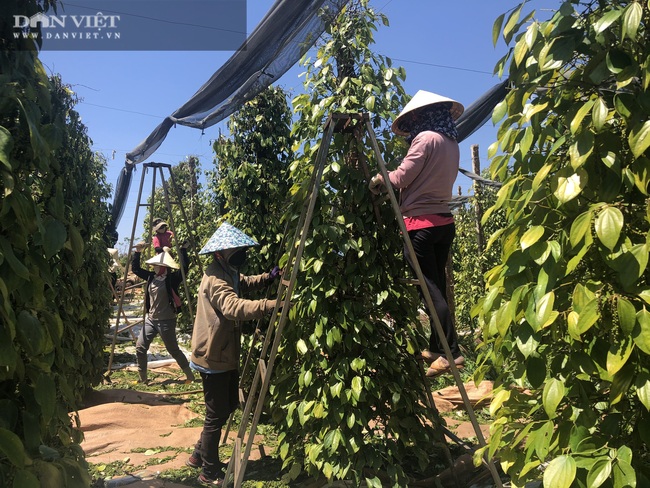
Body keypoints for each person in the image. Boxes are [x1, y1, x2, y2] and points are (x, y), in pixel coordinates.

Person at [369, 90, 465, 378]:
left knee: (428, 287)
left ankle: (451, 351)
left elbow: (402, 177)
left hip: (420, 224)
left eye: (414, 118)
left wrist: (378, 179)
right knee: (436, 284)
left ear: (423, 115)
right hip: (443, 223)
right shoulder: (451, 142)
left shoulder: (425, 139)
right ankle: (438, 346)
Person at [185, 222, 281, 486]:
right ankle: (209, 471)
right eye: (235, 249)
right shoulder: (215, 278)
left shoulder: (228, 271)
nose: (241, 253)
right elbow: (232, 306)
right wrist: (271, 305)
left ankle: (198, 455)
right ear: (220, 253)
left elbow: (242, 284)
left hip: (224, 352)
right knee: (216, 414)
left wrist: (267, 278)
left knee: (225, 407)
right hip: (213, 355)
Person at [131, 241, 195, 384]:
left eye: (156, 265)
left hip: (166, 320)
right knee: (140, 347)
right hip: (151, 320)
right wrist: (138, 252)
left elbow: (184, 268)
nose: (153, 267)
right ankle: (143, 378)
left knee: (173, 350)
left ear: (163, 266)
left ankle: (189, 375)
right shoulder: (151, 277)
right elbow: (135, 269)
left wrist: (183, 250)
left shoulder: (172, 279)